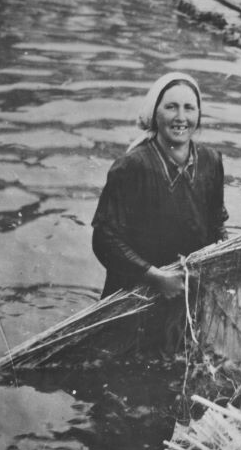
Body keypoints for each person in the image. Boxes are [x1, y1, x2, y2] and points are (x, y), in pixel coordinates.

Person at [92, 72, 228, 302]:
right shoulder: (131, 167)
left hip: (187, 291)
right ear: (155, 114)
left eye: (189, 108)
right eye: (171, 107)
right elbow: (104, 240)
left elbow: (216, 224)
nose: (181, 117)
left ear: (199, 114)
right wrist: (156, 277)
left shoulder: (211, 161)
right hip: (136, 293)